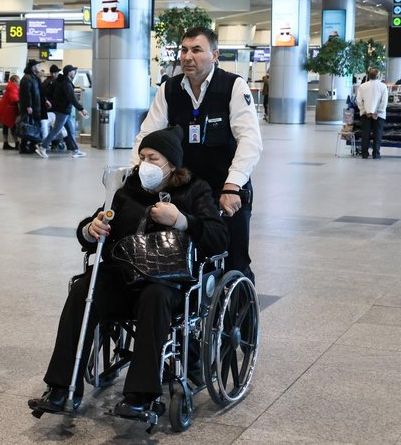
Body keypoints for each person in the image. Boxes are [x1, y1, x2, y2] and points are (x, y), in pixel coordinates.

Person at [29, 126, 228, 416]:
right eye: (143, 157)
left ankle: (140, 396)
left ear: (172, 163)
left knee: (155, 297)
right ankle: (61, 388)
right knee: (84, 290)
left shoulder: (194, 190)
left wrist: (183, 221)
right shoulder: (126, 189)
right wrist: (90, 228)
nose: (145, 165)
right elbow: (94, 225)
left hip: (165, 281)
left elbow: (219, 237)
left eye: (154, 158)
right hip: (121, 276)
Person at [129, 26, 262, 284]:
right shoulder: (169, 89)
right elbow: (146, 135)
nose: (188, 56)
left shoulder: (233, 86)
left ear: (214, 55)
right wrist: (135, 172)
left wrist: (232, 185)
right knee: (183, 257)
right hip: (186, 189)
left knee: (235, 260)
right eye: (184, 50)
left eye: (197, 50)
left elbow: (250, 139)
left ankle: (241, 317)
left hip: (227, 189)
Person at [36, 65, 89, 159]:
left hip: (64, 110)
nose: (74, 72)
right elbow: (72, 98)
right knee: (56, 130)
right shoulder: (66, 84)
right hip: (63, 111)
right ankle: (43, 147)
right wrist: (81, 109)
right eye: (73, 71)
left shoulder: (62, 82)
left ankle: (75, 150)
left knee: (70, 130)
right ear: (69, 73)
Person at [356, 68, 388, 159]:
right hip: (379, 115)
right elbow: (384, 101)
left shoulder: (362, 86)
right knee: (377, 134)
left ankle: (364, 154)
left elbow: (358, 100)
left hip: (366, 114)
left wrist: (365, 111)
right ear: (378, 76)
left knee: (365, 134)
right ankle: (376, 154)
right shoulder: (383, 86)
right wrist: (378, 112)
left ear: (369, 75)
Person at [19, 59, 44, 138]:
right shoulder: (27, 78)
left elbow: (37, 92)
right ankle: (26, 146)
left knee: (34, 126)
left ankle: (33, 144)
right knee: (28, 127)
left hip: (35, 107)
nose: (38, 67)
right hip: (31, 108)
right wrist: (28, 106)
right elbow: (26, 93)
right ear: (33, 68)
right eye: (37, 66)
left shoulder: (34, 78)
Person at [0, 74, 20, 150]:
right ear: (15, 81)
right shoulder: (13, 87)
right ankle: (17, 143)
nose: (19, 83)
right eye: (18, 81)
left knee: (5, 126)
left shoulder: (9, 86)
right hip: (9, 110)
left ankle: (5, 143)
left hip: (4, 109)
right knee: (12, 126)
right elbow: (14, 98)